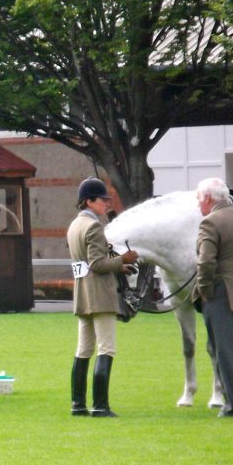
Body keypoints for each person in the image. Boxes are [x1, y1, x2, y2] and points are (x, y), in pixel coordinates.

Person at [66, 177, 138, 417]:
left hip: (83, 294)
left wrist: (118, 267)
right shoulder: (94, 226)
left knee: (83, 350)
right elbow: (97, 264)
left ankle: (78, 404)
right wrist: (123, 260)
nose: (107, 203)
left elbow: (85, 264)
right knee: (106, 348)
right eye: (102, 199)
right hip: (100, 295)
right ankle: (100, 405)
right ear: (89, 201)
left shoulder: (75, 225)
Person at [191, 177, 233, 417]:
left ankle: (231, 405)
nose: (198, 204)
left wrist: (204, 290)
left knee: (224, 351)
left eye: (199, 199)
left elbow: (206, 261)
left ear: (208, 198)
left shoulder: (210, 223)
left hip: (223, 293)